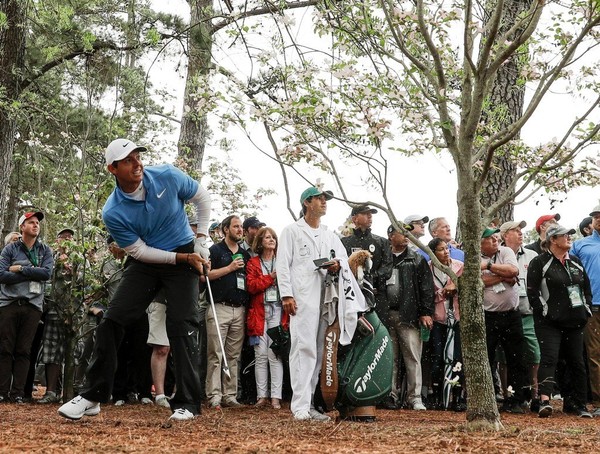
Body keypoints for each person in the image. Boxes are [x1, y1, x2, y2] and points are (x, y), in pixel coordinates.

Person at [58, 138, 211, 421]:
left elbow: (201, 197)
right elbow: (140, 251)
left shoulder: (166, 174)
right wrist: (182, 259)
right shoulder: (112, 211)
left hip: (185, 252)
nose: (137, 163)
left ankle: (188, 403)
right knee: (111, 320)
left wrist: (201, 239)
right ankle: (93, 396)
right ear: (112, 169)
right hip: (148, 261)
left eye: (137, 157)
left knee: (183, 324)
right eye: (128, 160)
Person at [277, 186, 347, 421]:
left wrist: (336, 265)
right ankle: (299, 406)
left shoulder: (330, 234)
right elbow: (283, 265)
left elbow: (343, 259)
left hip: (326, 297)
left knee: (319, 351)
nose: (324, 202)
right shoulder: (291, 231)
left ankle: (310, 405)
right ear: (307, 202)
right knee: (302, 348)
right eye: (319, 199)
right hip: (302, 297)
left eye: (325, 199)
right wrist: (286, 294)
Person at [527, 224, 593, 418]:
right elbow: (532, 291)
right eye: (564, 235)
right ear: (552, 240)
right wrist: (545, 312)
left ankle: (576, 403)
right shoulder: (540, 262)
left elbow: (586, 288)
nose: (569, 237)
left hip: (575, 322)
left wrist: (586, 308)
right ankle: (544, 401)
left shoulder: (575, 261)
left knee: (576, 362)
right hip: (550, 323)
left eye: (570, 234)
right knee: (549, 359)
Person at [0, 211, 54, 403]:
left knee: (24, 350)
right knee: (5, 348)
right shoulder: (10, 250)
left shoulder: (45, 250)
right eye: (31, 222)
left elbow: (47, 274)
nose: (35, 225)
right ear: (22, 227)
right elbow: (1, 275)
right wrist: (33, 273)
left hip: (33, 306)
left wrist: (21, 269)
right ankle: (2, 392)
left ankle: (18, 394)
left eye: (37, 222)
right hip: (9, 304)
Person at [385, 223, 435, 410]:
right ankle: (390, 394)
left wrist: (425, 312)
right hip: (387, 314)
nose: (406, 236)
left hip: (410, 314)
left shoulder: (416, 259)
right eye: (401, 233)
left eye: (408, 233)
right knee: (390, 358)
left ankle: (414, 397)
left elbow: (426, 288)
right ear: (391, 236)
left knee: (413, 357)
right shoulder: (384, 258)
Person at [480, 227, 529, 413]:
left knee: (516, 357)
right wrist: (503, 276)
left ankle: (516, 399)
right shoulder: (474, 255)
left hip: (511, 315)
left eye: (495, 237)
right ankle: (489, 397)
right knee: (488, 358)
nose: (494, 240)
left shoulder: (505, 250)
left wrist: (489, 268)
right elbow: (479, 280)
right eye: (489, 238)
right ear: (480, 242)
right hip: (488, 316)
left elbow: (514, 271)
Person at [205, 215, 250, 409]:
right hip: (219, 307)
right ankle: (214, 395)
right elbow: (205, 276)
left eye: (241, 227)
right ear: (225, 229)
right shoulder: (215, 251)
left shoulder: (245, 254)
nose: (240, 230)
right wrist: (230, 267)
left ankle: (230, 395)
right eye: (236, 226)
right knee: (216, 354)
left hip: (239, 310)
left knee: (234, 355)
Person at [499, 220, 540, 408]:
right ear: (505, 235)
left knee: (534, 354)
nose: (520, 233)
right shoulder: (497, 255)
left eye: (521, 230)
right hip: (504, 313)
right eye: (515, 230)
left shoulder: (532, 255)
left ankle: (535, 393)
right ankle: (509, 394)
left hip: (528, 312)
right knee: (505, 357)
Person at [246, 227, 288, 410]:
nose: (271, 240)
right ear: (260, 242)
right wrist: (270, 277)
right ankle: (261, 396)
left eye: (273, 237)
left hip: (278, 311)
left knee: (275, 354)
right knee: (260, 355)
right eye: (267, 237)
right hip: (259, 312)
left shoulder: (283, 261)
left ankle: (276, 398)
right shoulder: (253, 262)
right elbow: (251, 286)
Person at [38, 228, 78, 404]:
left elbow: (86, 284)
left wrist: (73, 272)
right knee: (51, 352)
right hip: (53, 311)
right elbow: (45, 281)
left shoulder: (79, 260)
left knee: (73, 352)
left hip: (74, 313)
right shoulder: (50, 259)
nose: (67, 240)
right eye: (63, 237)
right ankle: (51, 392)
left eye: (70, 237)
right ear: (57, 241)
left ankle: (70, 393)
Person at [427, 237, 464, 410]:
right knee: (437, 356)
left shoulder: (458, 266)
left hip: (456, 318)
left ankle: (456, 396)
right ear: (433, 253)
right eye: (441, 249)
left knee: (456, 357)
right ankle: (437, 395)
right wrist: (443, 292)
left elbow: (465, 287)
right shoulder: (428, 269)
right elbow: (426, 293)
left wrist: (456, 287)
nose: (446, 252)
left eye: (447, 248)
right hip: (438, 318)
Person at [570, 204, 600, 417]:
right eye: (596, 217)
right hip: (593, 307)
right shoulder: (580, 245)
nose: (598, 219)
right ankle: (599, 401)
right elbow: (569, 275)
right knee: (594, 355)